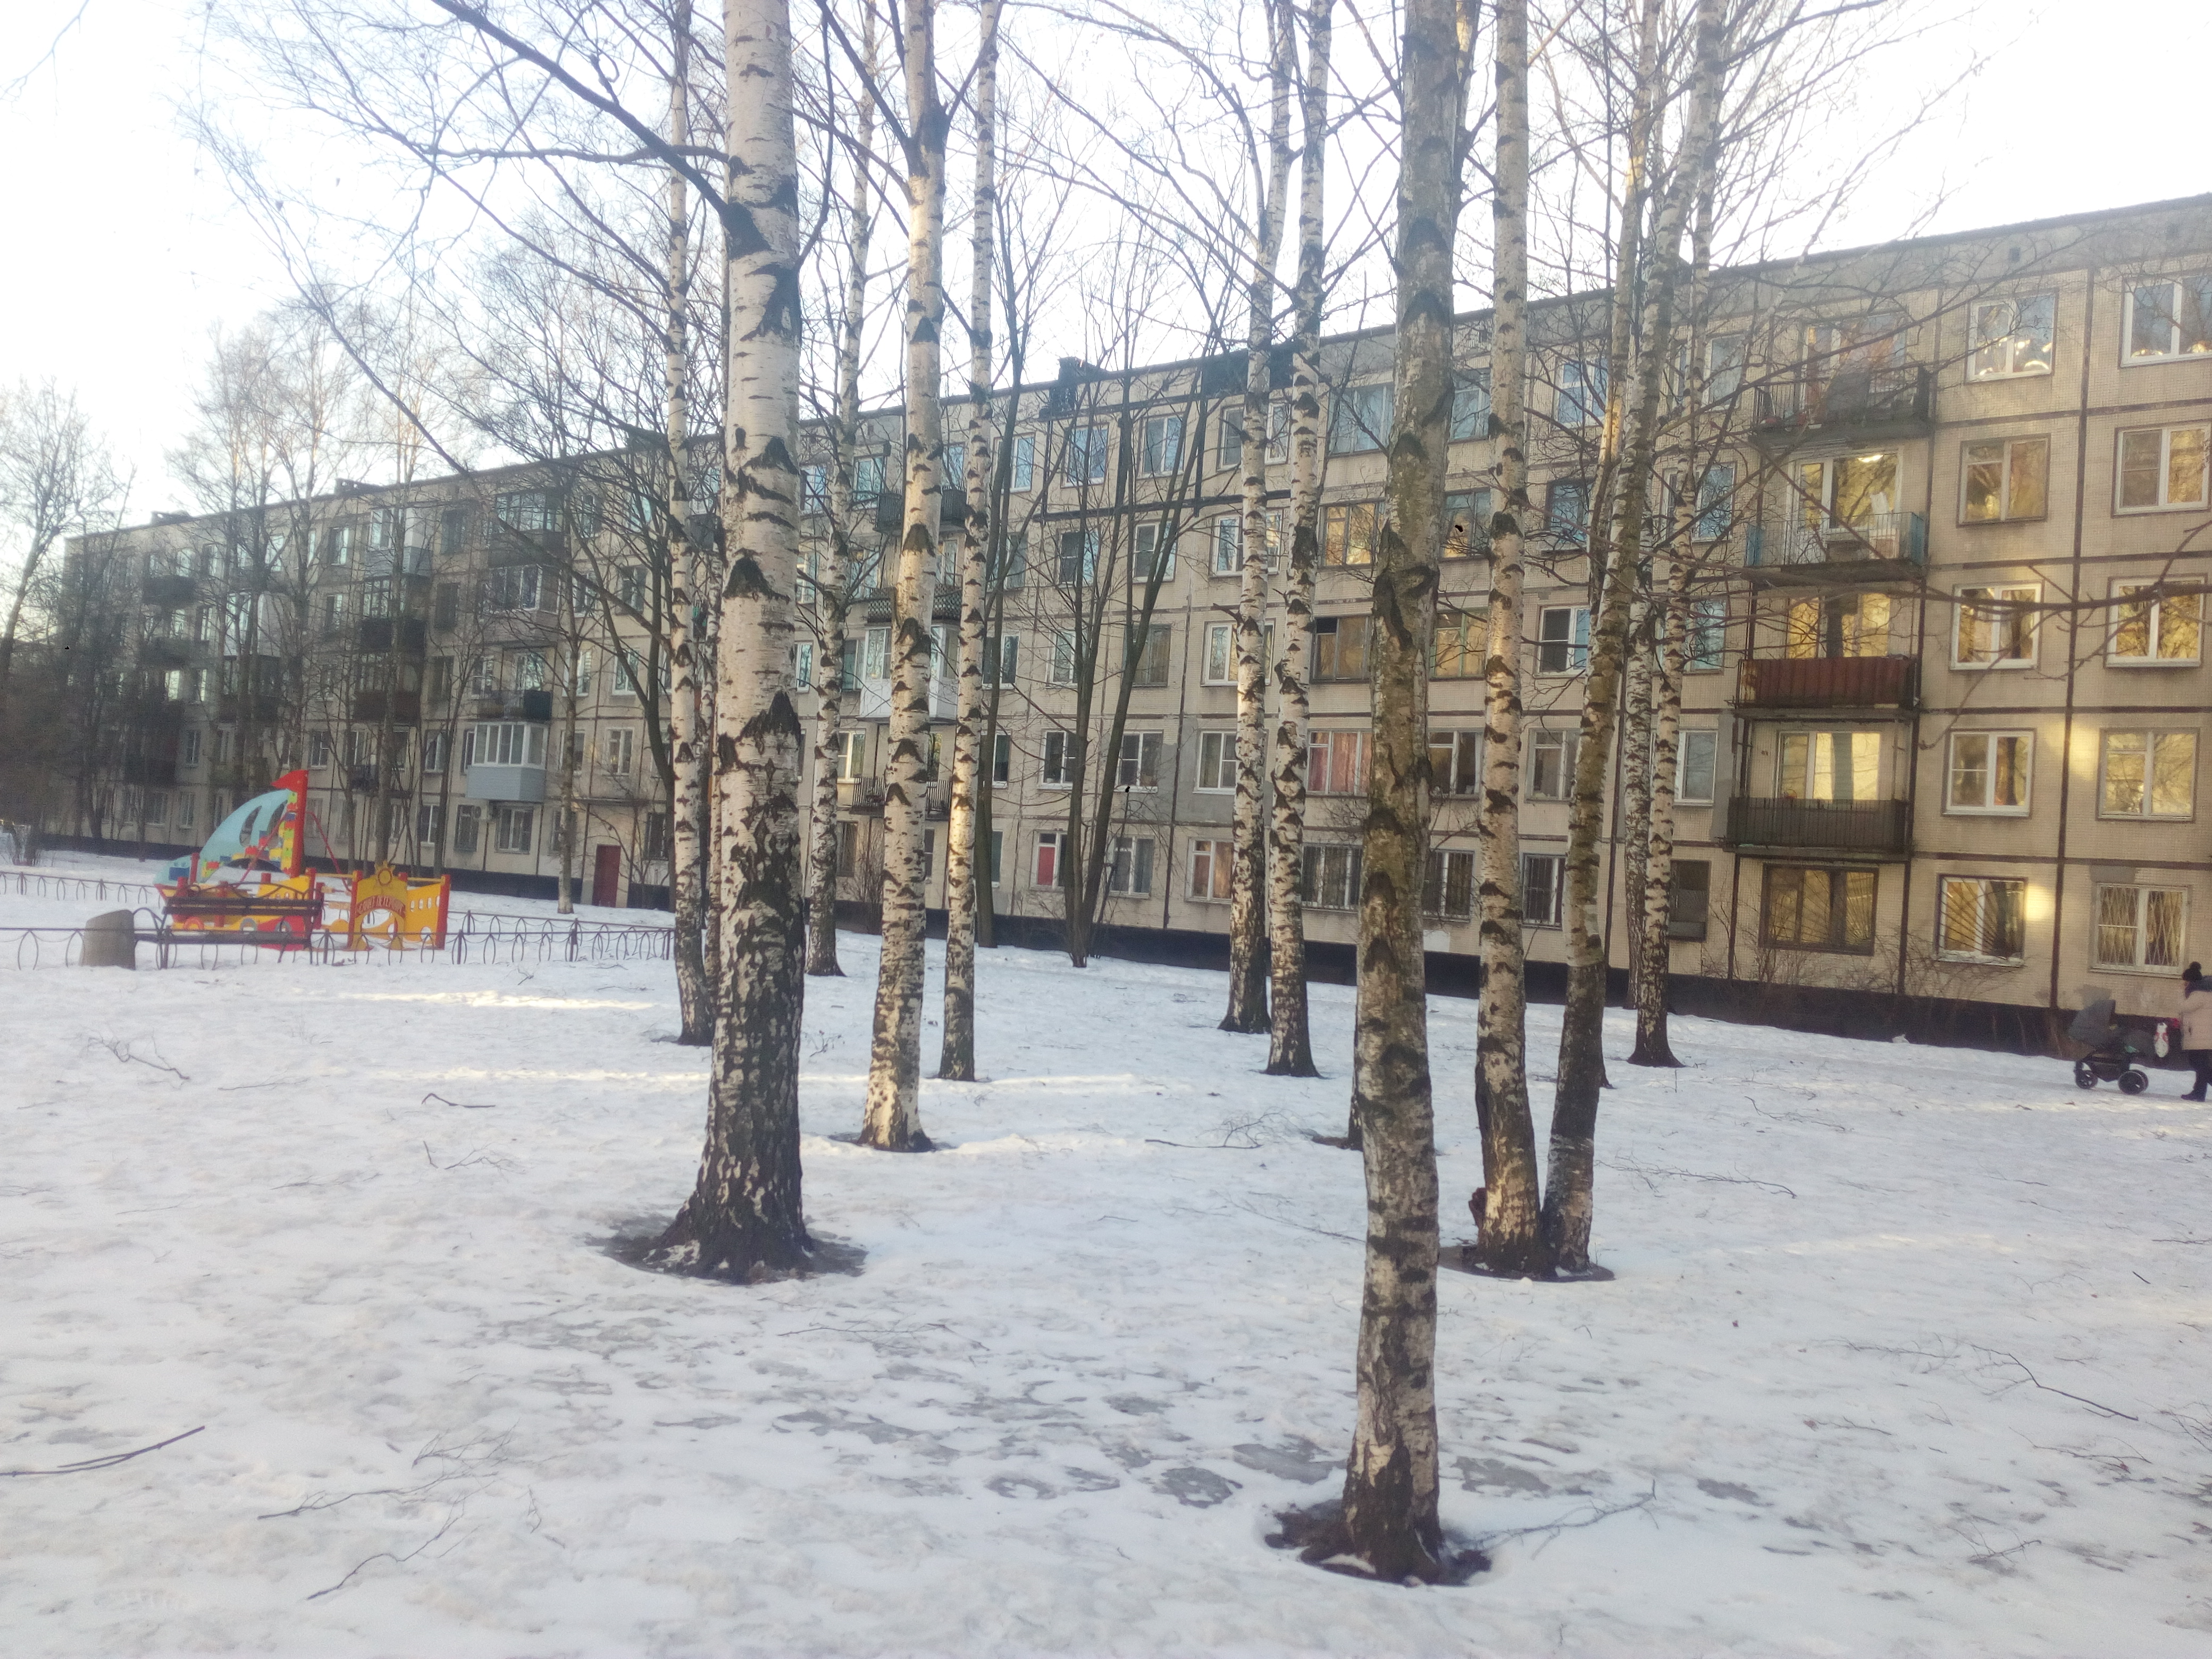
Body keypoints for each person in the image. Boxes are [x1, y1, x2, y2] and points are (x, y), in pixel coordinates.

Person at [2180, 962, 2212, 1101]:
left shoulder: (2198, 994)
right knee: (2200, 1064)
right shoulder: (2202, 992)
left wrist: (2180, 993)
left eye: (2186, 982)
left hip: (2201, 1035)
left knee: (2199, 1064)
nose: (2184, 984)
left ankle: (2198, 1093)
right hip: (2201, 1034)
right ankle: (2198, 1093)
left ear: (2191, 981)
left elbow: (2184, 1007)